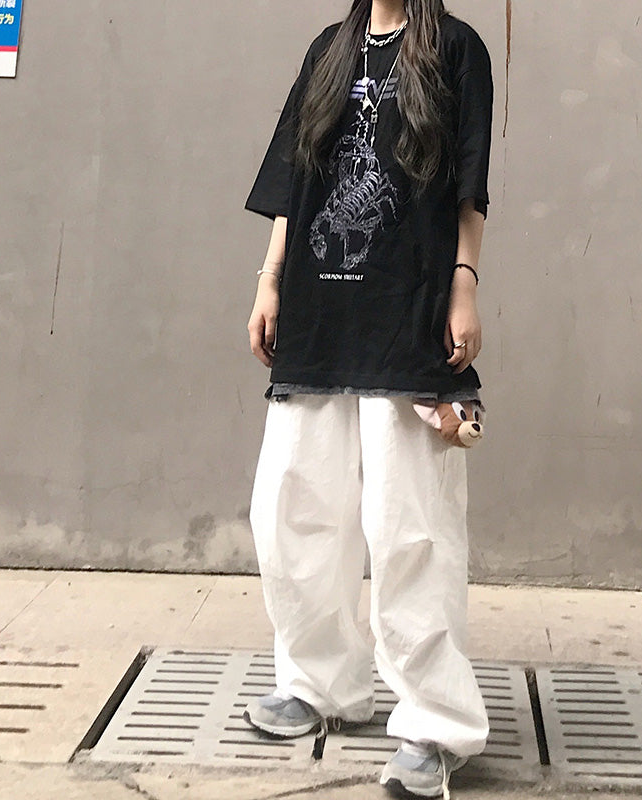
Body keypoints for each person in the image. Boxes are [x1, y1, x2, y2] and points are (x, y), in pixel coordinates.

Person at [242, 0, 493, 797]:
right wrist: (270, 280)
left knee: (408, 527)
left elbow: (469, 185)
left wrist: (464, 286)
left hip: (407, 311)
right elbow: (294, 178)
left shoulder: (456, 48)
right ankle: (319, 684)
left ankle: (435, 724)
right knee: (292, 509)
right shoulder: (329, 49)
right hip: (319, 310)